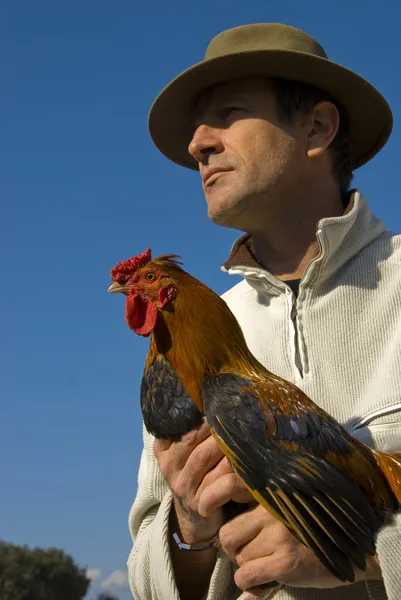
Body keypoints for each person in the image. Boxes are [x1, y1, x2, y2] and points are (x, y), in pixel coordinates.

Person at [127, 23, 401, 600]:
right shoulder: (186, 336)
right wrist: (191, 529)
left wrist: (370, 551)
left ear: (318, 128)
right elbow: (148, 579)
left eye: (228, 112)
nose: (197, 143)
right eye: (198, 130)